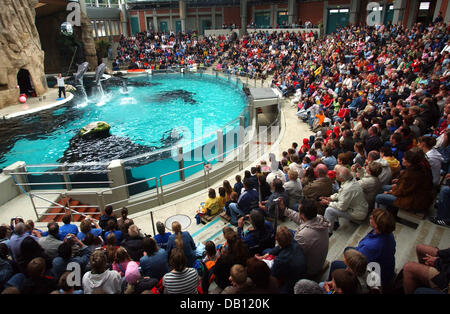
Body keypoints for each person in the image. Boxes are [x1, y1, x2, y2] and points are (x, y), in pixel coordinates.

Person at [328, 208, 396, 288]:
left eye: (372, 218)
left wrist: (348, 265)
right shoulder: (388, 234)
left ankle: (331, 286)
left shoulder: (371, 247)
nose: (370, 216)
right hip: (383, 267)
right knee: (348, 249)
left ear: (377, 225)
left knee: (335, 265)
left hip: (375, 277)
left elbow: (358, 266)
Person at [278, 198, 329, 278]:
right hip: (318, 260)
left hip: (310, 269)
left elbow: (291, 252)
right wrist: (284, 209)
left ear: (302, 215)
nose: (298, 212)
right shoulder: (319, 218)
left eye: (299, 210)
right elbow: (301, 220)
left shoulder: (303, 235)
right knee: (289, 232)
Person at [375, 149, 433, 216]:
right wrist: (399, 181)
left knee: (379, 197)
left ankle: (379, 218)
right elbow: (407, 186)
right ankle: (391, 211)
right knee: (383, 187)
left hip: (415, 200)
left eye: (404, 158)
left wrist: (390, 192)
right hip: (417, 195)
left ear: (409, 162)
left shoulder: (412, 174)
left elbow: (402, 191)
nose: (402, 159)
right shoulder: (419, 167)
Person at [256, 226, 307, 293]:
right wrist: (267, 255)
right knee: (266, 251)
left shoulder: (280, 260)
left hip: (293, 281)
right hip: (300, 268)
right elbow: (279, 247)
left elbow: (273, 274)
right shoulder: (293, 241)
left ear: (276, 239)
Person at [322, 166, 369, 236]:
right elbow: (341, 194)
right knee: (334, 204)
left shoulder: (347, 188)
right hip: (360, 209)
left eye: (337, 174)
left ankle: (327, 232)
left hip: (357, 214)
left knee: (329, 210)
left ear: (341, 178)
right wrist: (330, 198)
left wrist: (328, 202)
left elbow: (341, 207)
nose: (335, 175)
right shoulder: (351, 180)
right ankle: (335, 223)